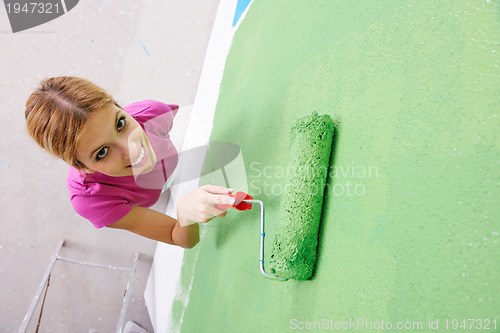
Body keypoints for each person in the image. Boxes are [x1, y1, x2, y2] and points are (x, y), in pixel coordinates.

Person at [24, 76, 235, 249]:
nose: (132, 150)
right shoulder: (94, 201)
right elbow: (176, 236)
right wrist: (185, 215)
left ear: (120, 107)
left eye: (120, 123)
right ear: (82, 167)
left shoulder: (154, 113)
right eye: (102, 152)